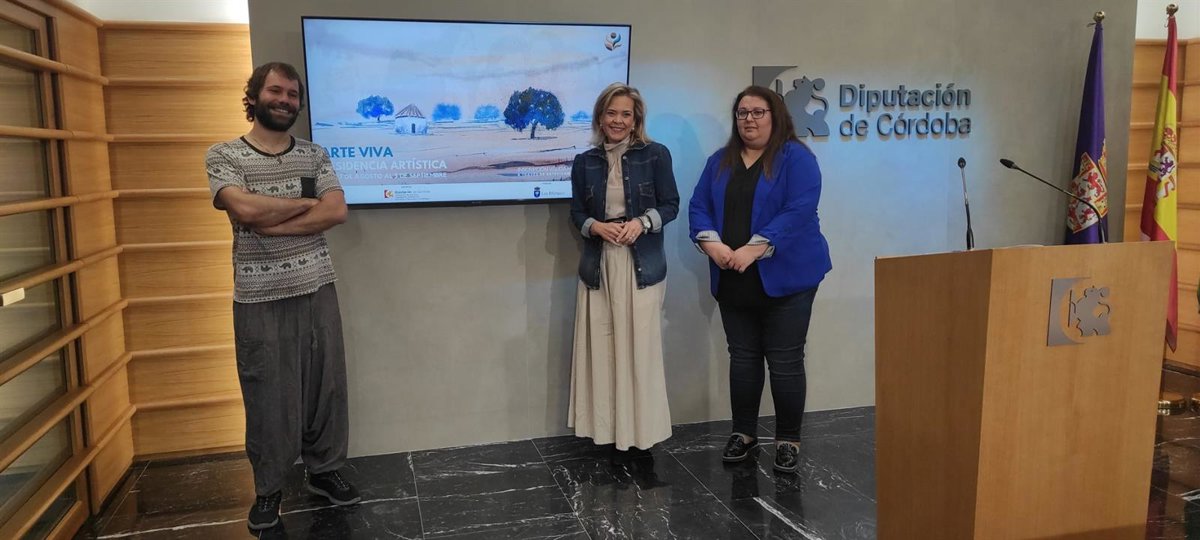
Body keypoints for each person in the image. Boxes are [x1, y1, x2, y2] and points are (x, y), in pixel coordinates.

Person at [205, 61, 358, 530]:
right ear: (253, 96)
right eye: (275, 91)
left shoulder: (314, 155)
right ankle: (268, 490)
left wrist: (270, 220)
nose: (285, 100)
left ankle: (324, 471)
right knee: (267, 395)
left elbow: (336, 211)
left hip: (317, 286)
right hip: (258, 297)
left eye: (292, 94)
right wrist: (304, 204)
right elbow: (243, 207)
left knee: (326, 388)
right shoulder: (224, 155)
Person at [688, 85, 832, 473]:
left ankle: (788, 440)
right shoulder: (719, 161)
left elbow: (799, 209)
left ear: (775, 116)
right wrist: (711, 243)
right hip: (733, 276)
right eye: (742, 113)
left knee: (785, 360)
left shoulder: (797, 158)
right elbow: (699, 206)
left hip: (788, 277)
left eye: (757, 112)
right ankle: (744, 433)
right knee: (743, 358)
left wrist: (755, 248)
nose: (748, 119)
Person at [568, 82, 679, 457]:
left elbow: (670, 205)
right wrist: (596, 227)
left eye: (625, 114)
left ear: (636, 120)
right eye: (611, 113)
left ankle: (641, 434)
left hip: (641, 267)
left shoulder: (656, 155)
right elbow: (577, 213)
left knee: (639, 350)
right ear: (600, 117)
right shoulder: (584, 162)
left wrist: (641, 224)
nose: (618, 120)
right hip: (598, 266)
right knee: (602, 350)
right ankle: (605, 432)